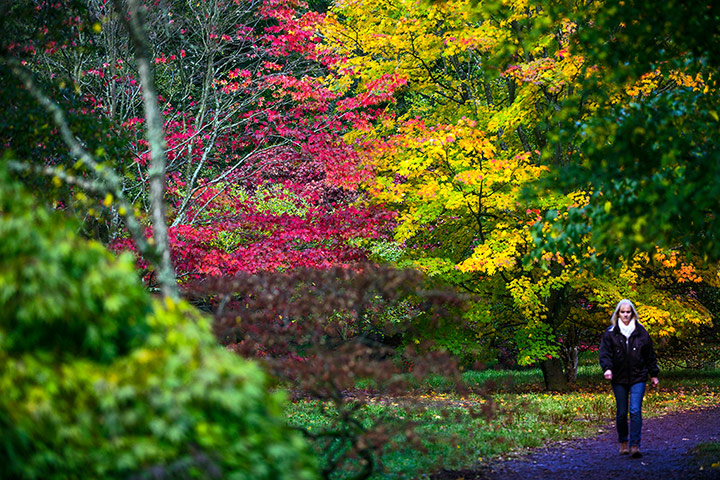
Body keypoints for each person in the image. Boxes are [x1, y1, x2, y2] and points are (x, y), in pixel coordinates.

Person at [599, 299, 659, 458]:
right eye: (622, 312)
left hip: (638, 376)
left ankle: (635, 445)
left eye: (628, 312)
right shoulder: (610, 332)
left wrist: (654, 374)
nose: (625, 315)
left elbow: (649, 355)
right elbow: (605, 354)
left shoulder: (641, 332)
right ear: (618, 313)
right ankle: (623, 442)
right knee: (621, 412)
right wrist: (607, 369)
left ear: (633, 313)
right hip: (618, 377)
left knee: (635, 410)